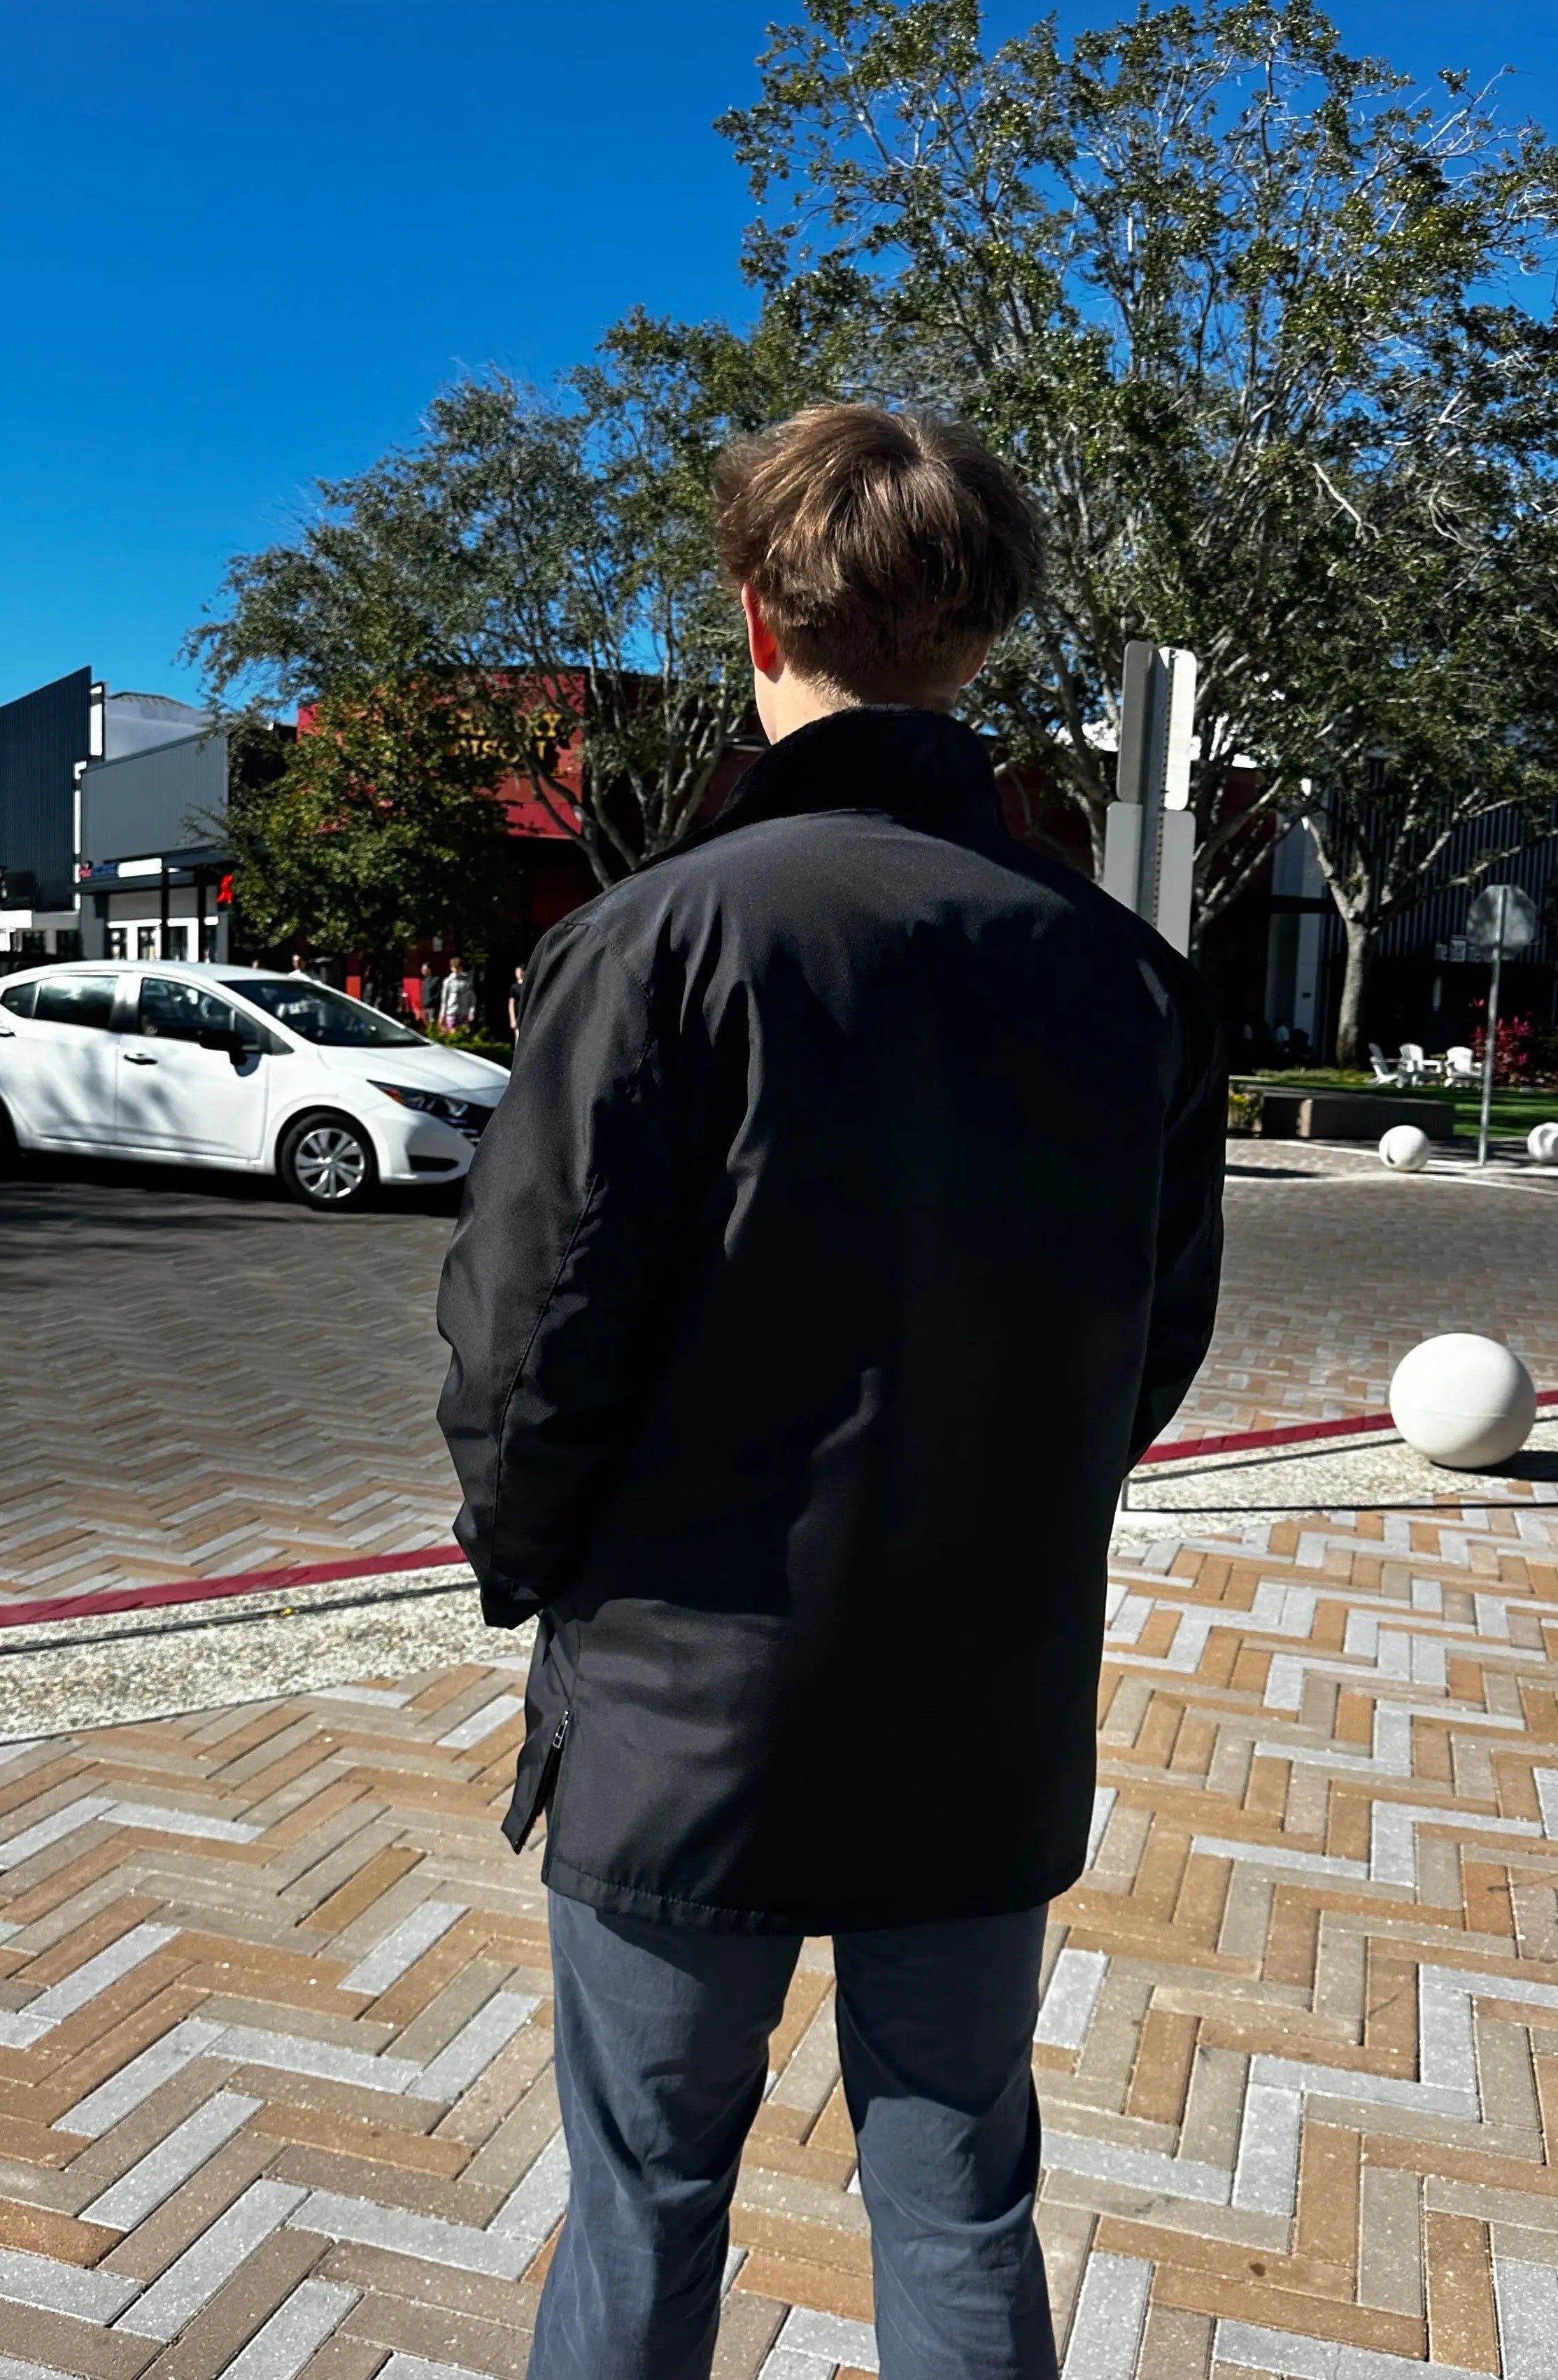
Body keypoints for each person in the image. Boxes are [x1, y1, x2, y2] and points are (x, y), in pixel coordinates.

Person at [437, 405, 1225, 2380]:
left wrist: (533, 1566)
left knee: (644, 2196)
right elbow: (1148, 1343)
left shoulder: (652, 942)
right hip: (981, 1691)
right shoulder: (1124, 978)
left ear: (750, 612)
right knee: (958, 2193)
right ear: (977, 635)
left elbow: (526, 1351)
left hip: (687, 1698)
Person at [437, 954, 475, 1033]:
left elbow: (472, 998)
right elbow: (445, 999)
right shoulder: (448, 981)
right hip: (452, 1012)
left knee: (464, 1033)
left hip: (464, 1012)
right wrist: (442, 1015)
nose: (458, 969)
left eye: (459, 967)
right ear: (451, 968)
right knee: (453, 1033)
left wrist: (472, 1011)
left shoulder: (467, 980)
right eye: (455, 967)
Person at [507, 961, 525, 1037]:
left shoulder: (527, 987)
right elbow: (511, 1004)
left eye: (518, 971)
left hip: (526, 1014)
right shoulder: (514, 987)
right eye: (516, 971)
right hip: (518, 1015)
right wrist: (512, 1019)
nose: (516, 973)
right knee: (518, 1036)